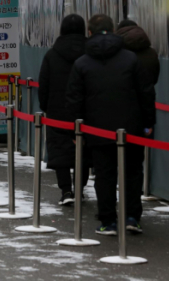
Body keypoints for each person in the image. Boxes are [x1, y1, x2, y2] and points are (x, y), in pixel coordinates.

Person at [66, 14, 155, 236]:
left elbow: (74, 99)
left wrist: (76, 130)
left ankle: (108, 220)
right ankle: (132, 217)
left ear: (89, 33)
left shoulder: (82, 63)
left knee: (104, 175)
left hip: (96, 129)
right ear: (114, 31)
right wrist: (148, 123)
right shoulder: (131, 59)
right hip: (130, 128)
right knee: (133, 172)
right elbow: (146, 93)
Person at [38, 14, 89, 206]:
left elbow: (44, 83)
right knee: (82, 150)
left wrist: (46, 105)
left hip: (57, 110)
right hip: (85, 110)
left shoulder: (52, 54)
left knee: (60, 150)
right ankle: (80, 189)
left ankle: (66, 190)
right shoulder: (90, 54)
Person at [116, 20, 160, 86]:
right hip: (147, 93)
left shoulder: (116, 53)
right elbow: (154, 78)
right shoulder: (151, 53)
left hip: (122, 94)